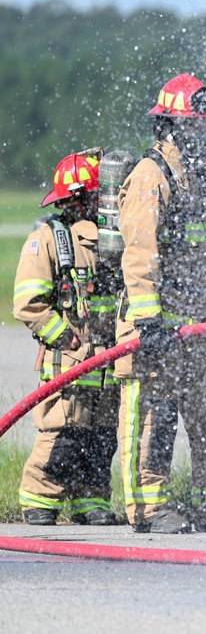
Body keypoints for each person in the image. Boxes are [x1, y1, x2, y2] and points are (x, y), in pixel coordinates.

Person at [114, 73, 206, 534]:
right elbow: (140, 253)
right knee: (153, 425)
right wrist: (148, 321)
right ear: (172, 126)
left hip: (202, 332)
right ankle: (150, 510)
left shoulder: (196, 181)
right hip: (157, 332)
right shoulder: (150, 177)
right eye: (195, 127)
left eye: (205, 127)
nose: (204, 136)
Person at [13, 151, 120, 526]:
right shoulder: (46, 240)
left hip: (108, 363)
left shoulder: (112, 242)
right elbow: (27, 303)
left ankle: (92, 501)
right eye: (91, 197)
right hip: (68, 363)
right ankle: (38, 499)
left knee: (103, 437)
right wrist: (65, 339)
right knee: (62, 435)